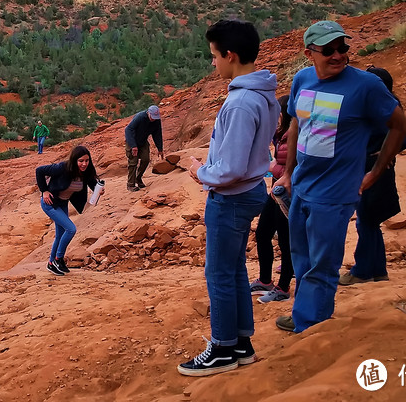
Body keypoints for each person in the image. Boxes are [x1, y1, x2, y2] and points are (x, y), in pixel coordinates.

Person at [274, 21, 406, 334]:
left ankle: (312, 326)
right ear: (310, 53)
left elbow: (399, 125)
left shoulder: (365, 86)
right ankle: (303, 313)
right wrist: (289, 173)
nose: (338, 55)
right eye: (329, 50)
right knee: (301, 256)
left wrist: (375, 172)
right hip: (302, 187)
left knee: (323, 262)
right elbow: (296, 125)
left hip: (335, 192)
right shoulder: (302, 79)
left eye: (342, 48)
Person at [179, 19, 278, 377]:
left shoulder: (239, 103)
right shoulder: (263, 93)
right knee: (234, 269)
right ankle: (241, 342)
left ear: (230, 55)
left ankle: (222, 347)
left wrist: (200, 172)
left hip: (232, 196)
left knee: (218, 273)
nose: (212, 63)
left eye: (214, 56)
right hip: (251, 190)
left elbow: (232, 167)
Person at [341, 67, 406, 286]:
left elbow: (404, 138)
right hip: (375, 167)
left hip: (373, 170)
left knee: (366, 220)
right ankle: (379, 270)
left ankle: (362, 271)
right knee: (370, 221)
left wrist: (383, 154)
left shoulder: (381, 110)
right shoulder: (385, 106)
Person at [250, 96, 295, 304]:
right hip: (276, 191)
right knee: (263, 232)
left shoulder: (293, 136)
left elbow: (292, 168)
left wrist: (270, 168)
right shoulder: (281, 135)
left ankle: (283, 287)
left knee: (286, 241)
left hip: (287, 193)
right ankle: (265, 280)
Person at [35, 145, 100, 276]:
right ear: (75, 160)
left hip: (63, 203)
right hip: (50, 203)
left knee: (60, 235)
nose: (84, 164)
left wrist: (99, 189)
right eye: (81, 161)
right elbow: (39, 171)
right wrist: (44, 190)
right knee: (71, 229)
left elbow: (92, 182)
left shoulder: (86, 171)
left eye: (87, 161)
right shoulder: (62, 167)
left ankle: (51, 263)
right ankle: (58, 259)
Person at [124, 105, 164, 191]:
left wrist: (160, 148)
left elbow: (157, 134)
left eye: (155, 117)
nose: (153, 119)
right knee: (133, 162)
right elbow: (128, 129)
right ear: (148, 113)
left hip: (143, 142)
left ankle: (138, 178)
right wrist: (133, 146)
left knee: (146, 159)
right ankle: (130, 184)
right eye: (152, 117)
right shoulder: (140, 117)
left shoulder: (156, 121)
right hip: (132, 141)